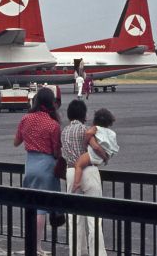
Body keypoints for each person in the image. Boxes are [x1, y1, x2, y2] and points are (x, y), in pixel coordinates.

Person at [13, 87, 62, 255]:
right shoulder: (53, 124)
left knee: (31, 205)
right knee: (41, 209)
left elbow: (16, 142)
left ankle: (29, 243)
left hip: (30, 164)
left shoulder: (25, 118)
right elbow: (56, 150)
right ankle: (37, 246)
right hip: (46, 164)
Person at [61, 100, 108, 256]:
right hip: (88, 171)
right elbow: (95, 147)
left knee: (74, 218)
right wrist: (105, 156)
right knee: (94, 218)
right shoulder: (85, 130)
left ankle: (76, 251)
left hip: (71, 172)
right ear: (84, 115)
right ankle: (97, 252)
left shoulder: (64, 131)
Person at [73, 109, 119, 192]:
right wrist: (106, 157)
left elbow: (89, 136)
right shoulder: (111, 133)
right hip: (102, 157)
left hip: (93, 154)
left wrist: (85, 143)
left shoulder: (95, 128)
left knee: (78, 164)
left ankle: (76, 183)